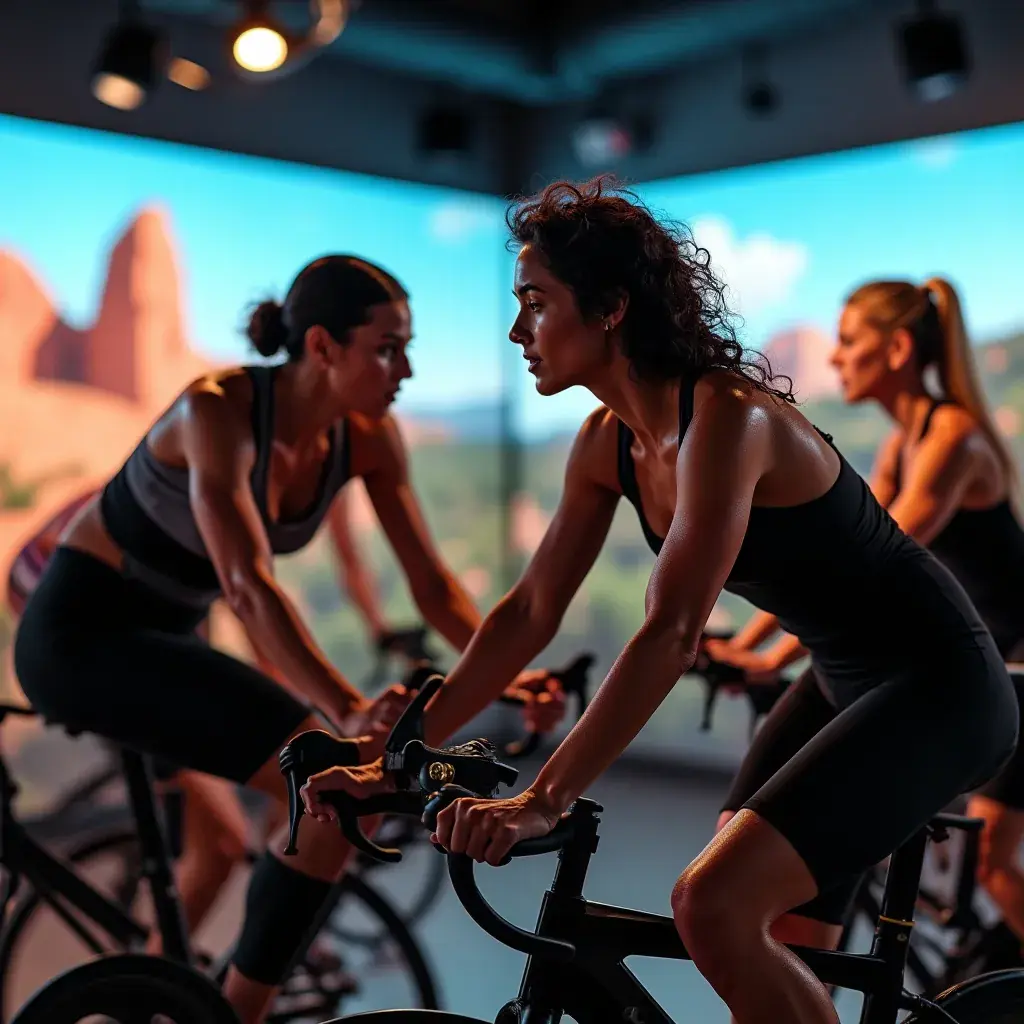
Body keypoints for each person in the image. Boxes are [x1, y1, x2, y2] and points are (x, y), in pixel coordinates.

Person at [301, 181, 1018, 1024]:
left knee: (710, 904)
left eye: (536, 303)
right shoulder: (608, 442)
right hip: (837, 678)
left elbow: (672, 631)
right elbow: (529, 612)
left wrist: (543, 799)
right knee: (765, 924)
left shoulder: (728, 418)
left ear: (609, 309)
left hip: (942, 687)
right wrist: (396, 760)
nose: (516, 331)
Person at [12, 254, 560, 1024]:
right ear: (322, 349)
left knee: (225, 842)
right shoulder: (217, 411)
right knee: (327, 787)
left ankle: (167, 996)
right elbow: (246, 585)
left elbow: (430, 585)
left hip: (168, 639)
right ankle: (233, 1015)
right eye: (386, 347)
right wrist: (343, 704)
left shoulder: (368, 437)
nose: (404, 367)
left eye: (408, 347)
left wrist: (511, 675)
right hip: (80, 638)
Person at [710, 276, 1024, 949]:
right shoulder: (901, 443)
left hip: (1013, 664)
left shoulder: (954, 440)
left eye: (849, 341)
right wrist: (752, 645)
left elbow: (874, 569)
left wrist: (767, 657)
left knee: (996, 867)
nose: (835, 356)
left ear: (898, 348)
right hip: (970, 659)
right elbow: (834, 559)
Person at [4, 479, 399, 950]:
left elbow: (330, 569)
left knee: (232, 819)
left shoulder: (311, 469)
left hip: (139, 604)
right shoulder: (229, 472)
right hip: (72, 605)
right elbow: (247, 595)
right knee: (221, 843)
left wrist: (377, 633)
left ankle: (179, 979)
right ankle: (162, 995)